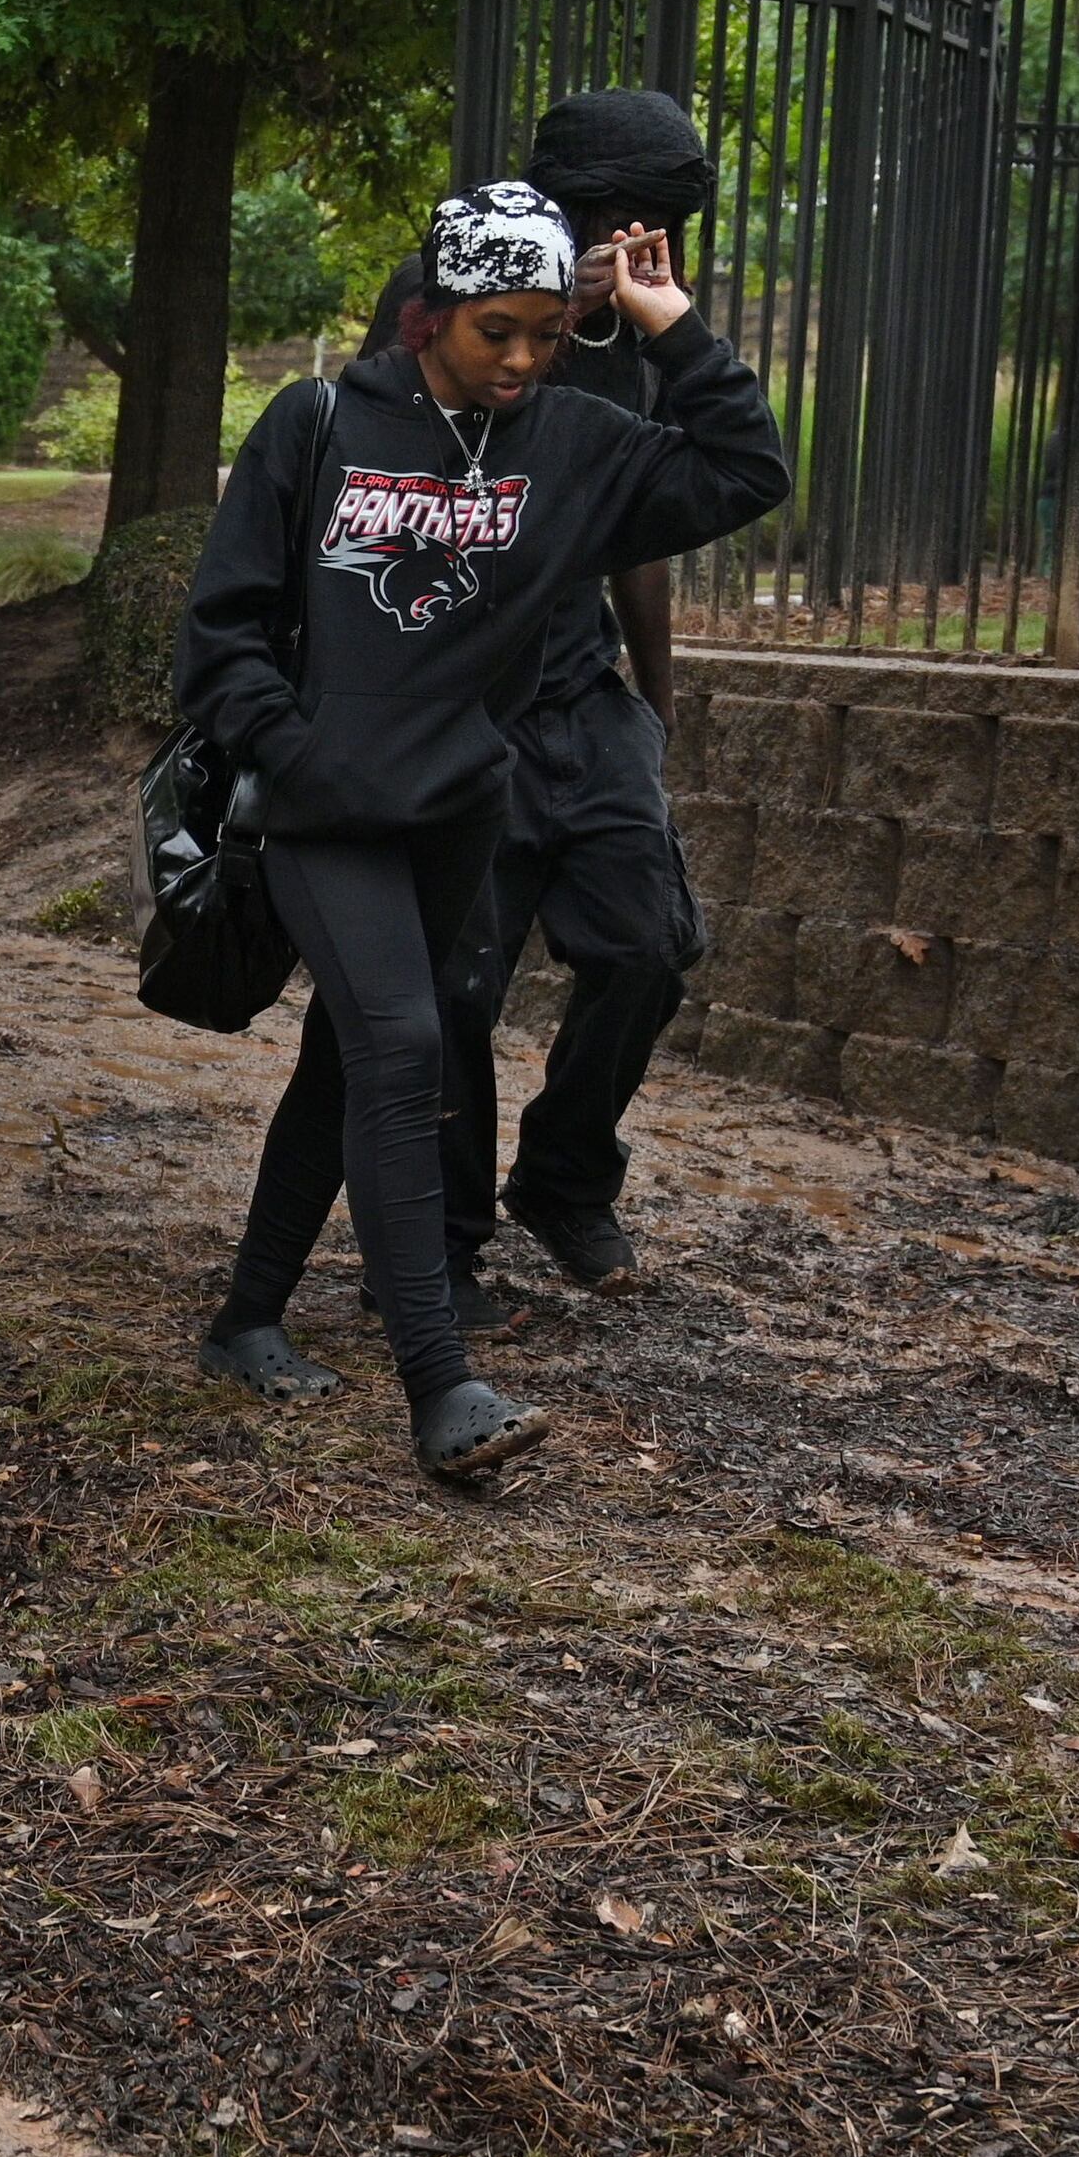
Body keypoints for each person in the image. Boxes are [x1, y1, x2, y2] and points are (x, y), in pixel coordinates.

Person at [168, 181, 785, 1484]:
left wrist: (669, 323)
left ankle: (244, 1321)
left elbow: (745, 470)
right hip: (323, 811)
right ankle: (443, 1385)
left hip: (455, 814)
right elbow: (220, 632)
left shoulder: (570, 443)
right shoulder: (320, 423)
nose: (518, 359)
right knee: (404, 1048)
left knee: (349, 1060)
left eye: (546, 335)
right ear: (427, 315)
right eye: (494, 330)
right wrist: (297, 750)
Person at [348, 89, 724, 1315]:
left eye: (660, 222)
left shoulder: (639, 328)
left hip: (578, 690)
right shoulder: (448, 286)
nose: (641, 241)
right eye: (621, 217)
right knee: (459, 981)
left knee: (646, 945)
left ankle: (563, 1180)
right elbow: (380, 458)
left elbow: (652, 515)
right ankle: (441, 1247)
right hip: (457, 694)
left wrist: (650, 702)